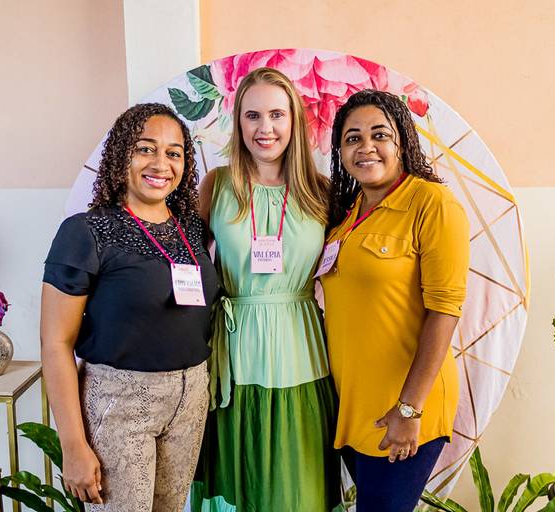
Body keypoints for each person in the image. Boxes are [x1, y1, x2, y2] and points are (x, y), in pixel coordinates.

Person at [40, 103, 219, 511]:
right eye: (145, 148)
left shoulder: (191, 227)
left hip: (190, 398)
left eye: (173, 153)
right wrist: (73, 445)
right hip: (120, 400)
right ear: (122, 153)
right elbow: (55, 344)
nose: (161, 164)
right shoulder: (86, 232)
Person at [191, 67, 340, 511]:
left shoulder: (322, 192)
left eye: (277, 114)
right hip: (234, 354)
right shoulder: (217, 184)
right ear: (238, 122)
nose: (265, 128)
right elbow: (187, 265)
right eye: (252, 115)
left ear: (294, 120)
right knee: (240, 485)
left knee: (299, 489)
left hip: (302, 349)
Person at [319, 89, 470, 511]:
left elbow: (445, 310)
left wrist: (409, 409)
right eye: (352, 138)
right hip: (353, 405)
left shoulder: (433, 203)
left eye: (379, 135)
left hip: (401, 407)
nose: (366, 147)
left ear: (402, 142)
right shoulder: (348, 214)